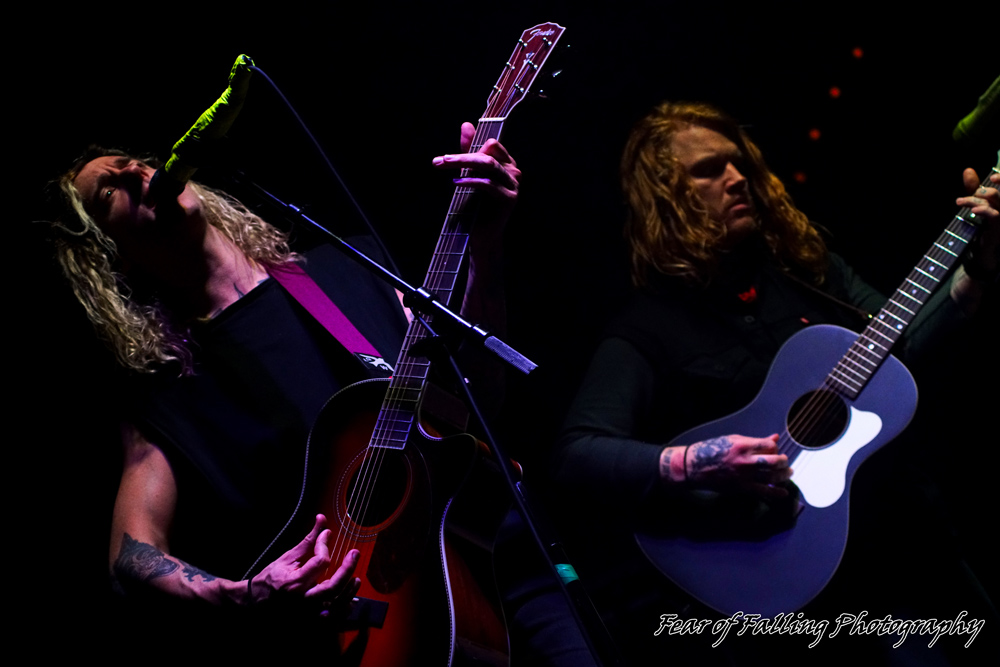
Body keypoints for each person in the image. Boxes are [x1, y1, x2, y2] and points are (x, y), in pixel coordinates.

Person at [48, 122, 520, 658]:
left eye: (132, 161)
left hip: (506, 563)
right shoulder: (167, 393)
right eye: (108, 190)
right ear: (112, 258)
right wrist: (242, 594)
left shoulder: (345, 269)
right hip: (375, 629)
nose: (133, 172)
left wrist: (485, 242)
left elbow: (477, 398)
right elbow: (129, 555)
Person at [554, 101, 998, 663]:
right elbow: (577, 455)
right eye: (708, 170)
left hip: (910, 543)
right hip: (795, 580)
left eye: (738, 164)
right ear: (666, 197)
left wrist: (978, 270)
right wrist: (697, 461)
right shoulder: (649, 328)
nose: (736, 178)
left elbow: (903, 356)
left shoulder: (810, 268)